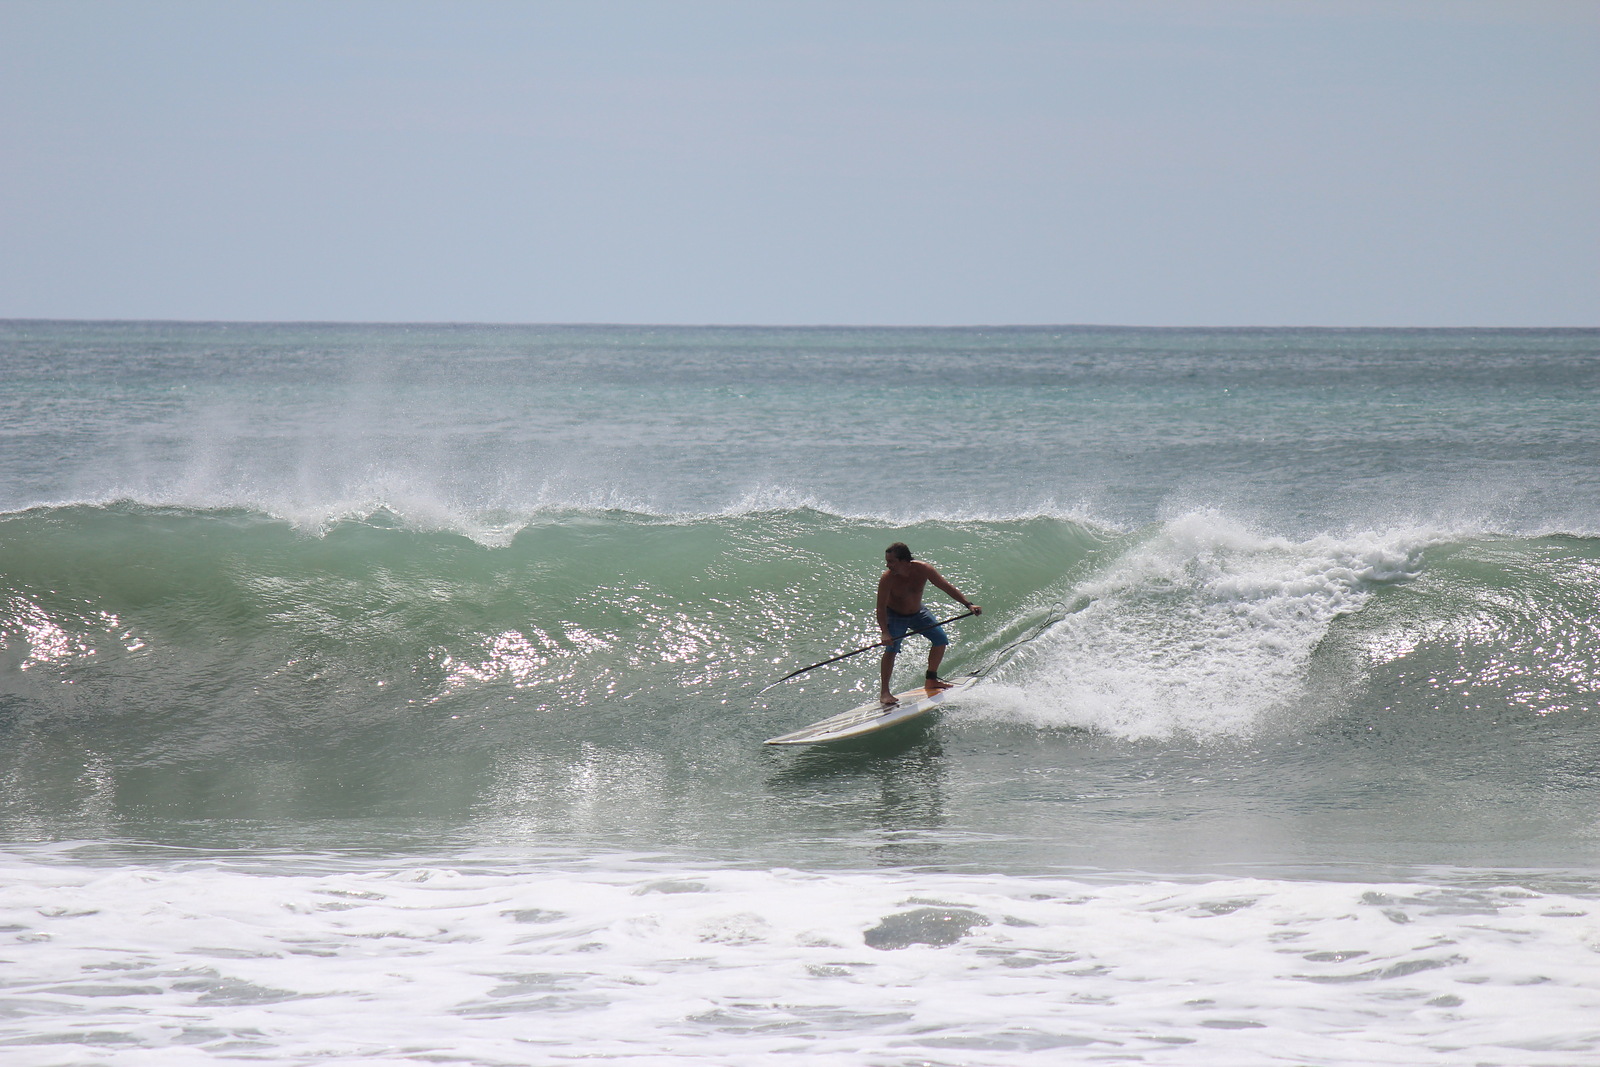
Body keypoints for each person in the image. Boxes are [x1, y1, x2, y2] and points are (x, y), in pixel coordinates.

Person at [877, 542, 981, 706]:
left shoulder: (923, 569)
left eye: (891, 561)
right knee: (892, 648)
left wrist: (968, 604)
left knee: (940, 639)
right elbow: (881, 608)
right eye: (887, 561)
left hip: (919, 613)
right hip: (895, 615)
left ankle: (931, 680)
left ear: (904, 560)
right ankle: (885, 692)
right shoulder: (887, 578)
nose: (887, 565)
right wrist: (885, 632)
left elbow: (946, 586)